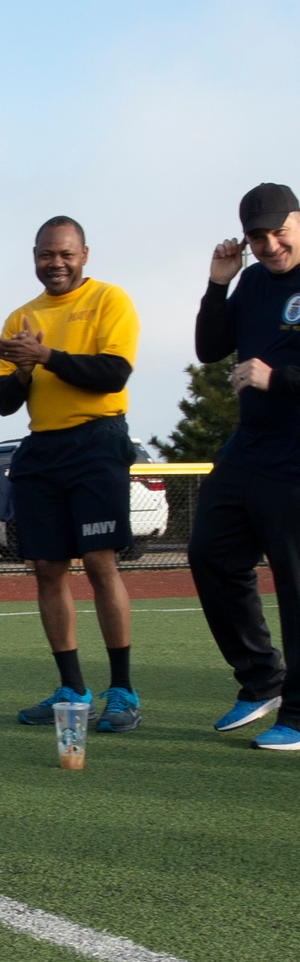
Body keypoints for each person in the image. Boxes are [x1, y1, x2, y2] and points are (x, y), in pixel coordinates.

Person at [0, 216, 142, 733]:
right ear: (34, 256)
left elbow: (112, 374)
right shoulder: (20, 317)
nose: (55, 263)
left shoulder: (109, 301)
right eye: (46, 255)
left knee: (100, 562)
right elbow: (4, 402)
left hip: (97, 441)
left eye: (65, 254)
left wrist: (45, 355)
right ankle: (72, 688)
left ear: (84, 254)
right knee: (47, 569)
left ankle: (121, 690)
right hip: (42, 450)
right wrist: (25, 368)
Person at [189, 182, 300, 751]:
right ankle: (262, 679)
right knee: (209, 554)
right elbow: (210, 348)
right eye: (259, 237)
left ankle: (299, 716)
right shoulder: (253, 279)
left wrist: (275, 378)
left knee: (295, 584)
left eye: (279, 232)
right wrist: (218, 283)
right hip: (249, 448)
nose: (271, 245)